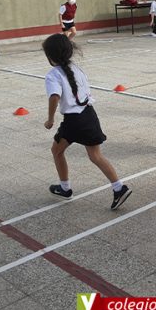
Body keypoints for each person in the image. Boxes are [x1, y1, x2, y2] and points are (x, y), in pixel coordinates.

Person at [43, 33, 131, 210]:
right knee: (95, 156)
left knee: (56, 151)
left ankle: (65, 188)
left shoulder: (53, 75)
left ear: (50, 56)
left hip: (73, 121)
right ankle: (118, 187)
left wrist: (50, 119)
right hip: (89, 114)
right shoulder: (76, 69)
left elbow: (54, 96)